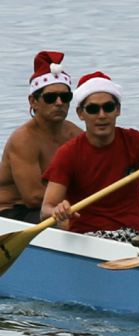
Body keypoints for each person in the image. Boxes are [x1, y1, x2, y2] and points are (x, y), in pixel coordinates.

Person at [40, 71, 139, 242]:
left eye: (108, 107)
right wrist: (58, 210)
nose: (101, 115)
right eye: (93, 109)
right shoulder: (68, 153)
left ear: (118, 110)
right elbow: (46, 209)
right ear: (80, 114)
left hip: (135, 237)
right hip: (87, 240)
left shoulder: (136, 141)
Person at [0, 51, 82, 223]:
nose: (59, 103)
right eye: (50, 97)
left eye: (65, 97)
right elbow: (33, 198)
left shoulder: (75, 135)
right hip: (13, 213)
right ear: (33, 101)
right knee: (72, 221)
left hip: (56, 206)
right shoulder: (23, 139)